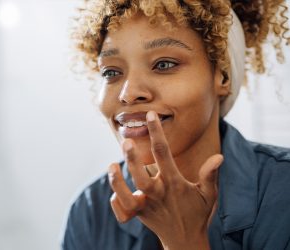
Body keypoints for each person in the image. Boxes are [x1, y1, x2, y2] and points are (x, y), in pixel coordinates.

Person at [62, 0, 290, 249]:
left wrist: (185, 240)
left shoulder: (283, 191)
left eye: (164, 64)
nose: (128, 93)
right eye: (111, 72)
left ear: (221, 75)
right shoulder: (89, 211)